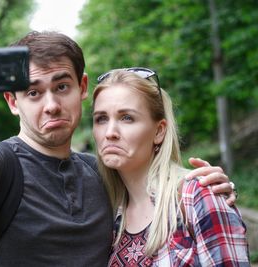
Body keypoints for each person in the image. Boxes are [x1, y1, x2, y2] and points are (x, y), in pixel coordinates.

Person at [0, 31, 236, 266]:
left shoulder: (103, 175)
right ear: (12, 101)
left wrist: (205, 191)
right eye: (33, 93)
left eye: (61, 86)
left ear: (81, 87)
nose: (51, 105)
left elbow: (158, 187)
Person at [92, 67, 249, 266]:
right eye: (101, 119)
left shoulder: (196, 197)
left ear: (159, 131)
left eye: (127, 118)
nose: (110, 132)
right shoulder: (109, 212)